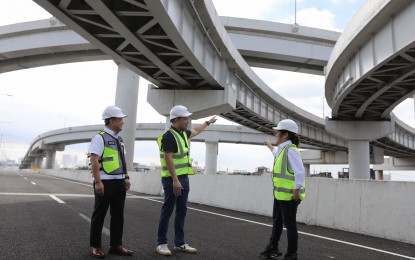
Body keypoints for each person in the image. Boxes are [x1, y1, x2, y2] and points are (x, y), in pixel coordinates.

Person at [155, 105, 217, 256]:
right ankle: (161, 243)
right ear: (176, 120)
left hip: (183, 178)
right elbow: (168, 158)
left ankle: (180, 243)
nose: (188, 121)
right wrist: (175, 180)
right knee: (167, 211)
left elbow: (196, 131)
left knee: (181, 212)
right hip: (172, 180)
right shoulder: (169, 136)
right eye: (185, 118)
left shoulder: (182, 134)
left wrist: (207, 123)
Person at [89, 106, 133, 258]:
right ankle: (96, 246)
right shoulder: (99, 138)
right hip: (105, 182)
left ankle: (116, 245)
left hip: (119, 182)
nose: (122, 122)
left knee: (118, 215)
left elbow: (123, 160)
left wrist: (126, 177)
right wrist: (98, 182)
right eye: (120, 119)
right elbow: (94, 160)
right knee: (99, 215)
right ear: (111, 120)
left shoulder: (119, 139)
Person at [260, 119, 306, 260]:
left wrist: (296, 190)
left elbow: (300, 172)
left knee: (290, 225)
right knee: (277, 222)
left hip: (290, 196)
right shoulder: (283, 150)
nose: (275, 135)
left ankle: (292, 254)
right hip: (280, 194)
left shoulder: (291, 150)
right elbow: (276, 153)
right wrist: (269, 146)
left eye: (277, 133)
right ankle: (273, 247)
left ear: (285, 135)